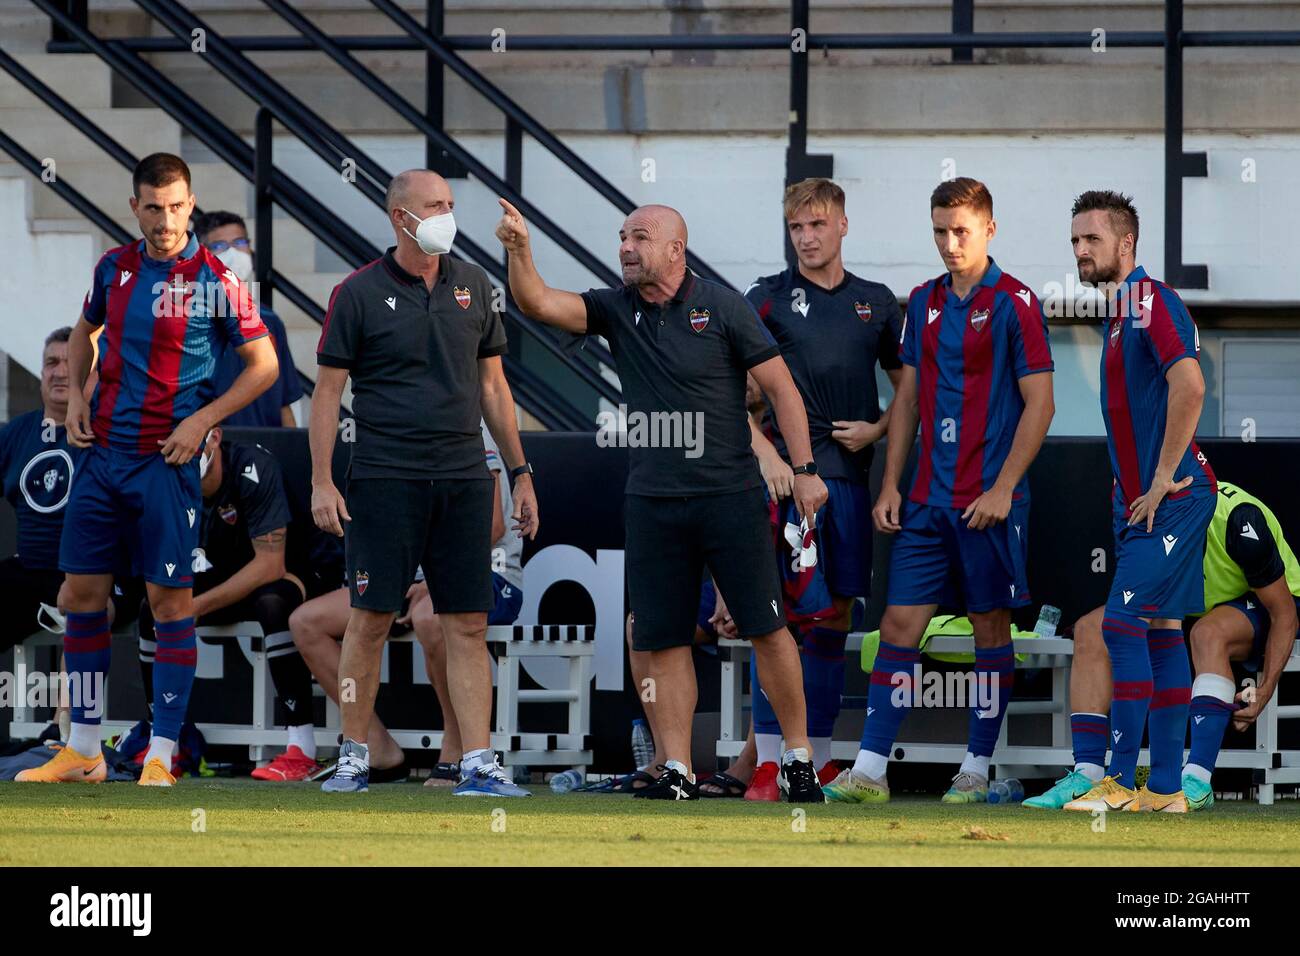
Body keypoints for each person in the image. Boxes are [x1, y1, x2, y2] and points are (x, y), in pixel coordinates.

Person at [497, 198, 830, 802]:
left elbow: (781, 388)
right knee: (661, 638)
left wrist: (804, 470)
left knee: (768, 629)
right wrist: (520, 250)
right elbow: (538, 302)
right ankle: (677, 769)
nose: (625, 247)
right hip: (652, 501)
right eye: (622, 237)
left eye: (640, 237)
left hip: (728, 497)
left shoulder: (723, 305)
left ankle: (798, 760)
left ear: (676, 249)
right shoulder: (614, 307)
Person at [18, 153, 278, 787]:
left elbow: (263, 364)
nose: (166, 220)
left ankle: (162, 751)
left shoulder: (219, 278)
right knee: (78, 595)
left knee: (169, 604)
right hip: (103, 457)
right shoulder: (115, 266)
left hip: (168, 460)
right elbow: (84, 334)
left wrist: (201, 420)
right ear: (135, 207)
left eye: (177, 206)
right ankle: (83, 748)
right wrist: (77, 394)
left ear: (191, 205)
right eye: (153, 208)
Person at [824, 177, 1055, 805]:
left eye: (961, 231)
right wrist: (891, 483)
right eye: (939, 231)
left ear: (989, 230)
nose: (949, 243)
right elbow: (908, 399)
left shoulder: (1018, 301)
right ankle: (870, 770)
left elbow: (1041, 404)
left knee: (988, 627)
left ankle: (976, 768)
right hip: (926, 499)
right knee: (899, 624)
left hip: (987, 502)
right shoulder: (922, 300)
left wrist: (1005, 488)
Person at [310, 169, 538, 796]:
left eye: (451, 204)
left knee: (466, 623)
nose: (448, 214)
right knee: (370, 619)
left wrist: (520, 472)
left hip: (465, 477)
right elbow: (328, 393)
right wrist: (322, 481)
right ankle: (355, 755)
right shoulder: (355, 292)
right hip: (385, 479)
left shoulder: (473, 281)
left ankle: (479, 765)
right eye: (435, 205)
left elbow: (494, 387)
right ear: (399, 217)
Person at [743, 177, 904, 793]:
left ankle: (821, 759)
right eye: (796, 228)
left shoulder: (878, 302)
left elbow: (909, 386)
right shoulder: (765, 299)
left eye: (817, 225)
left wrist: (880, 428)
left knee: (836, 618)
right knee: (777, 620)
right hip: (788, 486)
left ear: (842, 225)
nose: (806, 238)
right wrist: (767, 456)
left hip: (851, 486)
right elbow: (727, 391)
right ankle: (768, 760)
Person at [1060, 190, 1217, 814]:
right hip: (1144, 502)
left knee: (1120, 625)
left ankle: (1118, 783)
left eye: (1091, 239)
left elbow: (1191, 385)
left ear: (1126, 244)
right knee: (1160, 634)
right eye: (1074, 241)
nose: (1079, 251)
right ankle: (1167, 792)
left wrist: (1157, 477)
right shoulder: (1121, 311)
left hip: (1173, 497)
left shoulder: (1153, 301)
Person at [1024, 481, 1298, 811]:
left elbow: (1284, 614)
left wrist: (1265, 690)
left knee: (1207, 634)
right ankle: (1089, 774)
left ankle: (1197, 780)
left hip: (1260, 599)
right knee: (1093, 629)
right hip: (1190, 602)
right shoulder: (1139, 512)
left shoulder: (1238, 520)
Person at [132, 425, 320, 781]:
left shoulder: (252, 465)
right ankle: (166, 742)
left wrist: (195, 607)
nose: (182, 448)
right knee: (151, 609)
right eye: (173, 441)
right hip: (212, 577)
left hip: (276, 575)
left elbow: (271, 564)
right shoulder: (163, 479)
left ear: (214, 438)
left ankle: (302, 747)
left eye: (192, 439)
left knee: (274, 604)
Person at [411, 422, 525, 784]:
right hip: (423, 579)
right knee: (310, 621)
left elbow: (489, 527)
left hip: (494, 573)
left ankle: (457, 740)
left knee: (431, 618)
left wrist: (431, 580)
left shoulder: (474, 426)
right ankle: (368, 750)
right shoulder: (404, 422)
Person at [193, 211, 303, 428]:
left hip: (265, 448)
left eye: (239, 242)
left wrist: (294, 458)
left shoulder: (270, 321)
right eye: (219, 246)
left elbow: (284, 403)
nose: (233, 252)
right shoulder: (191, 320)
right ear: (202, 255)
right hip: (215, 448)